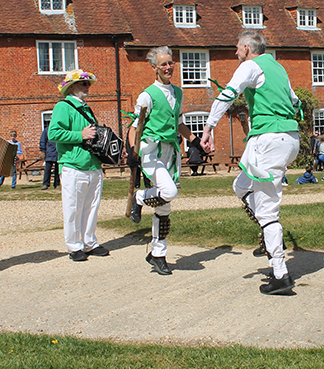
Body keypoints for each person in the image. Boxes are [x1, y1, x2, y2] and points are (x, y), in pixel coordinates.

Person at [201, 30, 300, 295]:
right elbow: (295, 102)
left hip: (268, 139)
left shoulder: (251, 66)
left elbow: (227, 94)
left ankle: (280, 272)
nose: (235, 53)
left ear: (247, 48)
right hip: (285, 138)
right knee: (241, 186)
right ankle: (269, 233)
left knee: (267, 210)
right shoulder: (279, 68)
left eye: (237, 48)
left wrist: (208, 128)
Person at [127, 47, 197, 275]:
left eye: (171, 63)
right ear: (154, 67)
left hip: (171, 151)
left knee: (164, 208)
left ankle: (157, 254)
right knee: (168, 192)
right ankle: (139, 197)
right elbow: (135, 126)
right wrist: (131, 152)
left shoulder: (178, 92)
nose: (169, 67)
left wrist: (194, 141)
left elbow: (178, 123)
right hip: (151, 150)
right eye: (164, 64)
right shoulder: (147, 95)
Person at [48, 69, 110, 262]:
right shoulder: (63, 106)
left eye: (88, 84)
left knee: (92, 206)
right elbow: (53, 133)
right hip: (73, 165)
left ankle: (90, 242)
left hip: (92, 165)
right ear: (72, 87)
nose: (87, 87)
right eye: (84, 84)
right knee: (73, 207)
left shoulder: (86, 108)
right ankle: (74, 245)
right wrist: (79, 135)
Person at [39, 124, 60, 190]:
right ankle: (46, 184)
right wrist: (43, 151)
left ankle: (57, 184)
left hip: (58, 152)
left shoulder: (59, 129)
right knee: (47, 169)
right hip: (49, 153)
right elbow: (43, 141)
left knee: (57, 170)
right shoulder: (47, 130)